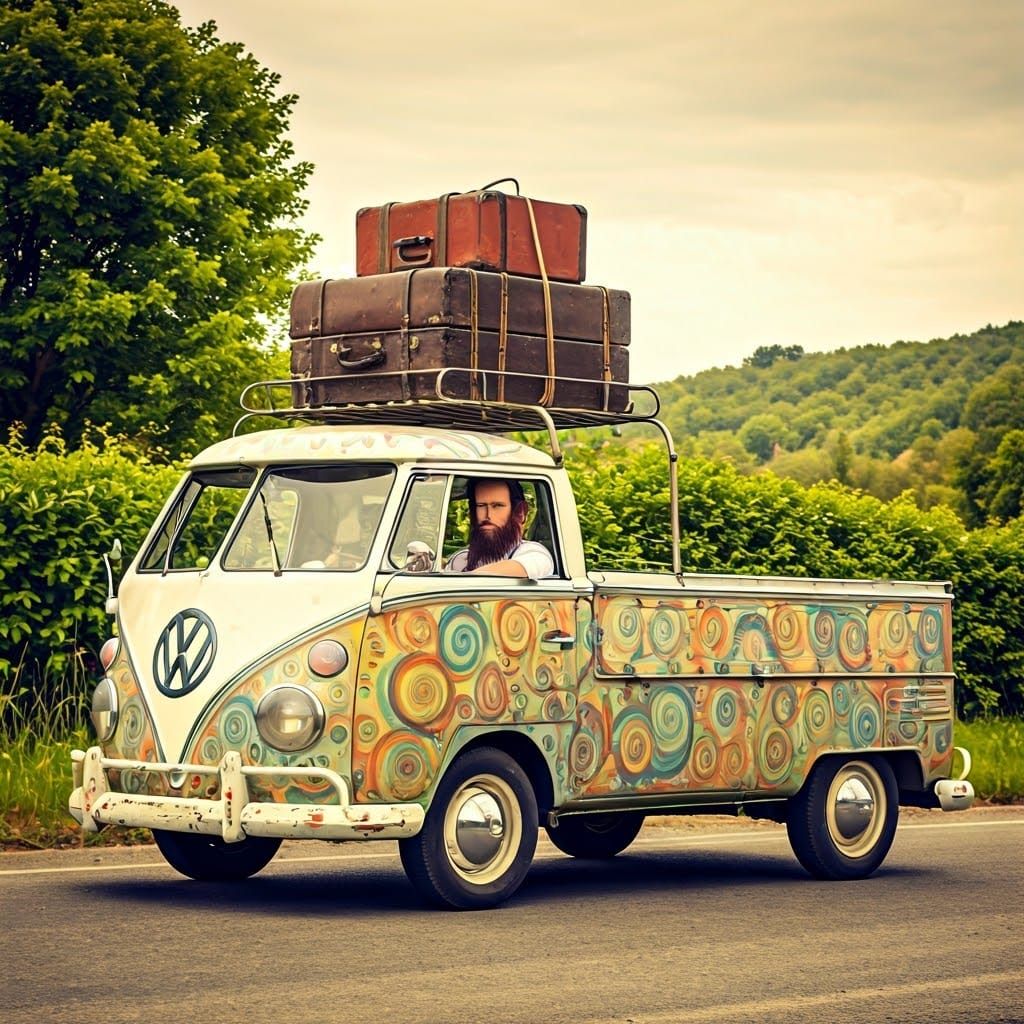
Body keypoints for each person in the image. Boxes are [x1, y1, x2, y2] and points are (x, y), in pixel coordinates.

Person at [444, 479, 554, 579]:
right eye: (481, 505)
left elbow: (524, 567)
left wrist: (462, 578)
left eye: (497, 506)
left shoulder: (533, 553)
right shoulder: (461, 559)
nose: (488, 515)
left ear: (520, 512)